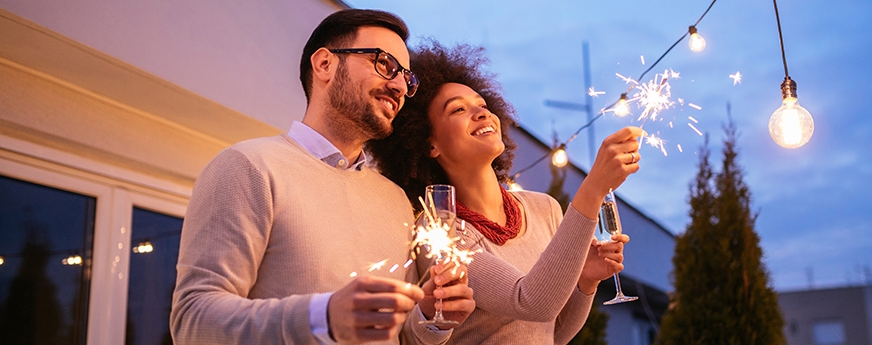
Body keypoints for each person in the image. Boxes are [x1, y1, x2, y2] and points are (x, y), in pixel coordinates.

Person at [170, 10, 472, 344]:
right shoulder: (248, 166)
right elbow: (193, 321)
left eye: (406, 77)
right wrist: (322, 318)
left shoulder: (395, 200)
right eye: (384, 63)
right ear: (324, 64)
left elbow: (400, 336)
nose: (400, 85)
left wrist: (429, 317)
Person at [367, 41, 640, 344]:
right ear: (428, 143)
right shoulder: (439, 231)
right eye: (458, 109)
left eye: (482, 105)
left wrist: (586, 280)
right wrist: (593, 189)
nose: (481, 114)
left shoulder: (544, 208)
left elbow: (554, 333)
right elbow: (530, 301)